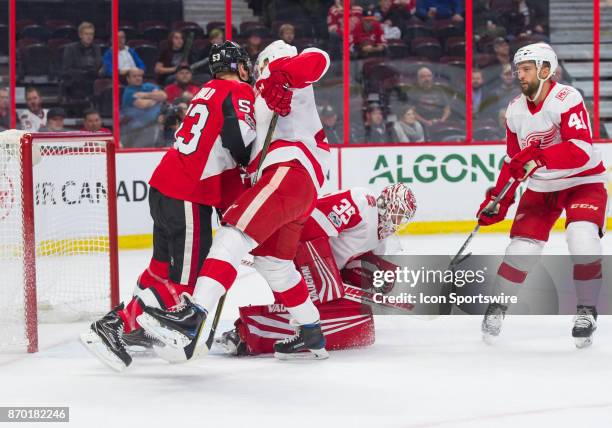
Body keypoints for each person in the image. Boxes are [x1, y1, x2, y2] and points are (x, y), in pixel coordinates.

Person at [138, 40, 333, 362]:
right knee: (275, 264)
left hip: (290, 172)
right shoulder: (258, 101)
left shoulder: (289, 78)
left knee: (233, 232)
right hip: (294, 188)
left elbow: (318, 58)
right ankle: (311, 331)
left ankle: (192, 317)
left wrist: (280, 75)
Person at [80, 41, 256, 371]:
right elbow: (237, 140)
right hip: (189, 196)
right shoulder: (240, 92)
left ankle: (133, 331)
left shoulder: (205, 91)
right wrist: (252, 164)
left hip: (163, 187)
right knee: (189, 281)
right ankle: (115, 325)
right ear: (240, 67)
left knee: (161, 269)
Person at [477, 43, 607, 348]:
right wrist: (498, 200)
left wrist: (538, 156)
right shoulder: (514, 110)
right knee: (521, 249)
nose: (518, 75)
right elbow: (513, 163)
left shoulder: (566, 97)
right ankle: (497, 307)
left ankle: (587, 310)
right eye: (517, 70)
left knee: (582, 237)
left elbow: (580, 148)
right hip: (542, 188)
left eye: (526, 69)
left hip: (583, 181)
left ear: (545, 70)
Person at [216, 184, 417, 356]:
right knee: (317, 301)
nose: (397, 224)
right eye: (397, 215)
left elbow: (364, 268)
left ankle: (255, 332)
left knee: (353, 316)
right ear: (386, 204)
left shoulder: (380, 239)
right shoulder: (362, 203)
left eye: (402, 220)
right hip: (295, 244)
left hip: (315, 265)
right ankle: (245, 333)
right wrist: (290, 258)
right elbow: (313, 218)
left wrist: (375, 285)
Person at [121, 68, 167, 147]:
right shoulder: (128, 92)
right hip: (136, 129)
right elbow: (144, 105)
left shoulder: (148, 86)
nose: (138, 78)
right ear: (128, 79)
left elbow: (164, 96)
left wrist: (144, 95)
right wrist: (157, 99)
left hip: (155, 125)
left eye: (139, 76)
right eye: (134, 76)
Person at [61, 22, 102, 100]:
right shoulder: (70, 49)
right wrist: (85, 73)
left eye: (91, 34)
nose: (89, 37)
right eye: (86, 34)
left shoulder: (97, 48)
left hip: (93, 81)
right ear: (80, 35)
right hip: (77, 83)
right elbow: (67, 70)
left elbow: (99, 65)